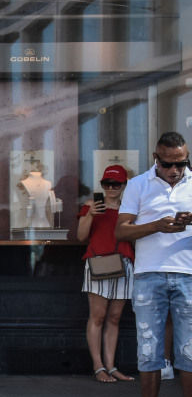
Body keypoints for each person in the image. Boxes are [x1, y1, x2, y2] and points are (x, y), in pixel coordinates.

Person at [115, 131, 192, 397]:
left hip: (188, 274)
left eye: (182, 163)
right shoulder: (138, 185)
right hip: (149, 275)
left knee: (189, 353)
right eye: (167, 164)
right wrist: (157, 225)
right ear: (155, 159)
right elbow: (121, 230)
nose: (174, 170)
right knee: (149, 351)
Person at [76, 164, 135, 383]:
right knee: (98, 316)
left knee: (115, 317)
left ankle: (110, 366)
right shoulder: (92, 205)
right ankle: (98, 366)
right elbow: (82, 236)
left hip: (123, 262)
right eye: (106, 184)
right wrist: (90, 214)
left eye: (116, 184)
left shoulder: (130, 208)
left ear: (124, 185)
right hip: (99, 261)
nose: (111, 188)